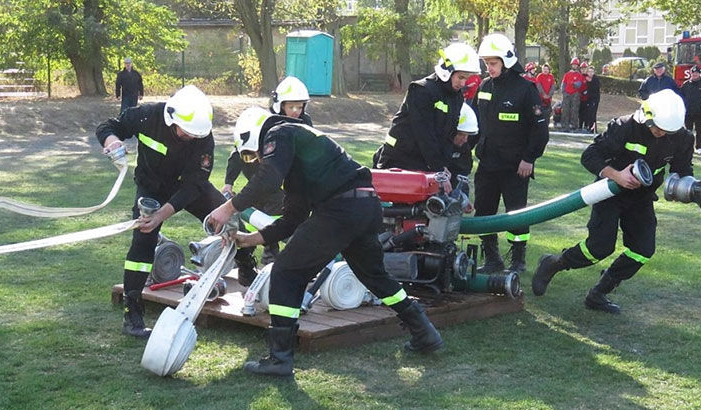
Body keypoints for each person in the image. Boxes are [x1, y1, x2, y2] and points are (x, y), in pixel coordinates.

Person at [208, 107, 443, 377]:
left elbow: (268, 178)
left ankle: (280, 358)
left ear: (255, 137)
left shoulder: (279, 132)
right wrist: (252, 239)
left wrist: (228, 208)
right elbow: (293, 217)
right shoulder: (301, 155)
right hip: (366, 206)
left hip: (339, 211)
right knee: (375, 277)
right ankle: (423, 331)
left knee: (286, 273)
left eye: (251, 155)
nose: (256, 161)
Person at [96, 85, 258, 338]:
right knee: (142, 241)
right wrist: (112, 141)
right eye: (187, 133)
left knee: (231, 219)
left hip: (190, 188)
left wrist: (164, 214)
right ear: (172, 118)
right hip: (151, 188)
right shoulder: (147, 116)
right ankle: (133, 311)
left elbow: (194, 185)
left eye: (197, 134)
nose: (191, 138)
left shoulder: (203, 136)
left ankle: (247, 265)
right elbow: (107, 127)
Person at [531, 89, 694, 314]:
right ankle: (554, 263)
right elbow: (589, 156)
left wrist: (689, 189)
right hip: (609, 193)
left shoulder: (682, 137)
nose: (660, 133)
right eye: (657, 127)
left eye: (666, 130)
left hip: (642, 198)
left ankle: (599, 293)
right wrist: (617, 175)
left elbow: (683, 169)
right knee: (599, 248)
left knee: (643, 250)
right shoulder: (624, 127)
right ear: (646, 115)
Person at [472, 33, 549, 274]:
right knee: (483, 212)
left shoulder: (526, 89)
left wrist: (529, 158)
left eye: (493, 63)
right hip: (487, 163)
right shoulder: (484, 87)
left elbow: (540, 129)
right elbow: (473, 123)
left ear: (506, 61)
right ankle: (492, 258)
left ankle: (518, 260)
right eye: (486, 63)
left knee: (517, 214)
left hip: (516, 165)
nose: (489, 68)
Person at [222, 76, 313, 264]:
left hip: (284, 184)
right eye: (291, 107)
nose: (296, 111)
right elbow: (239, 152)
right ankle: (254, 252)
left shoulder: (305, 124)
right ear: (280, 104)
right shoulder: (263, 124)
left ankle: (274, 253)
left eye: (300, 107)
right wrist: (228, 183)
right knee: (251, 212)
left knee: (280, 214)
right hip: (260, 178)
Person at [373, 42, 481, 192]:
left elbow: (447, 135)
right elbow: (424, 134)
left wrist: (443, 166)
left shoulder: (456, 97)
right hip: (400, 160)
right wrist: (438, 168)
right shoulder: (422, 90)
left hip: (424, 161)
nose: (463, 83)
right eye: (460, 77)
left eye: (467, 79)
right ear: (447, 70)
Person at [680, 65, 701, 155]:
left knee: (699, 130)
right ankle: (688, 148)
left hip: (699, 111)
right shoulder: (686, 84)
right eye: (693, 73)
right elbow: (681, 95)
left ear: (699, 74)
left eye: (696, 73)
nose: (694, 74)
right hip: (688, 111)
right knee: (688, 131)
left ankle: (699, 147)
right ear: (690, 74)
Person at [447, 102, 478, 197]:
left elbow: (462, 173)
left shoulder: (463, 148)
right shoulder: (432, 148)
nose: (465, 140)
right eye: (461, 134)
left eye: (467, 135)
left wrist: (462, 196)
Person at [560, 57, 584, 131]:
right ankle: (564, 125)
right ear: (571, 65)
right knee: (565, 110)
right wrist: (564, 92)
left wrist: (574, 84)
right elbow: (563, 83)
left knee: (574, 110)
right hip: (567, 94)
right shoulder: (567, 74)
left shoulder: (579, 75)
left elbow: (579, 84)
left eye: (576, 65)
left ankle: (574, 125)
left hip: (575, 94)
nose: (575, 66)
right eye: (573, 64)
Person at [581, 65, 601, 133]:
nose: (590, 73)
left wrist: (589, 82)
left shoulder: (595, 79)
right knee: (588, 113)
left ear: (594, 72)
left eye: (591, 71)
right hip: (588, 99)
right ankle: (588, 127)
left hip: (594, 99)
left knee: (592, 114)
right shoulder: (586, 79)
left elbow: (595, 89)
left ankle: (593, 129)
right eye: (589, 71)